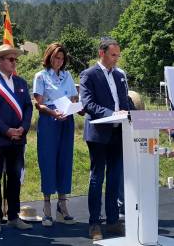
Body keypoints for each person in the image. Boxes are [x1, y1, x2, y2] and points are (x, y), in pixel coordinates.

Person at [79, 38, 130, 240]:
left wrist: (132, 115)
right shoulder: (88, 74)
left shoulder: (119, 76)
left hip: (118, 134)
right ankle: (94, 224)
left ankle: (113, 221)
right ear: (102, 53)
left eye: (118, 55)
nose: (116, 59)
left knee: (115, 178)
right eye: (113, 55)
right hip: (99, 135)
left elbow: (125, 101)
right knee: (97, 177)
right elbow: (89, 104)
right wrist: (112, 114)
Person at [0, 44, 33, 232]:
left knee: (14, 178)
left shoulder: (21, 83)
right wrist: (6, 130)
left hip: (18, 139)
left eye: (15, 59)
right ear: (0, 61)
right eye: (11, 59)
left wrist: (23, 128)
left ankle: (13, 216)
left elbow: (28, 107)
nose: (14, 62)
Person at [33, 42, 78, 226]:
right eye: (55, 58)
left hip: (66, 119)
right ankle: (46, 207)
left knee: (65, 161)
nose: (59, 61)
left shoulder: (67, 76)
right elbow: (39, 103)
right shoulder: (41, 76)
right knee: (48, 160)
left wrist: (75, 105)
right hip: (49, 120)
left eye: (61, 58)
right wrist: (53, 112)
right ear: (49, 57)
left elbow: (75, 97)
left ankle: (62, 206)